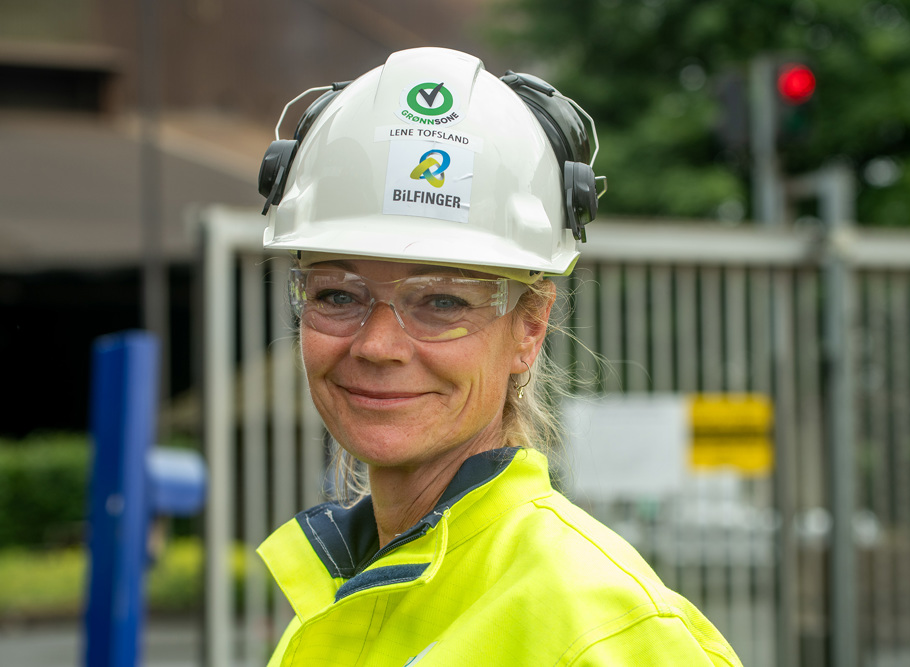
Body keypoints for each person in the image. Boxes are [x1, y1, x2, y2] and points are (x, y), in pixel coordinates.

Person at [255, 46, 742, 666]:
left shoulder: (610, 632)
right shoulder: (334, 601)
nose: (377, 345)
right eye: (336, 295)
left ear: (530, 327)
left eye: (442, 302)